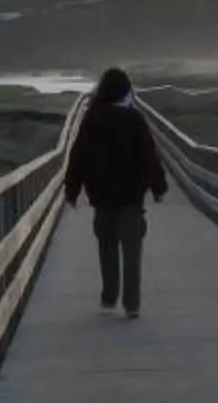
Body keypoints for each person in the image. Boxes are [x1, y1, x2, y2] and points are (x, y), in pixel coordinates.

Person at [62, 66, 168, 317]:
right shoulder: (134, 119)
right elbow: (148, 157)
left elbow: (78, 157)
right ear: (125, 91)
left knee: (107, 247)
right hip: (131, 197)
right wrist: (158, 187)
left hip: (102, 197)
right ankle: (132, 305)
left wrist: (72, 190)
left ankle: (109, 298)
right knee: (132, 251)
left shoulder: (91, 120)